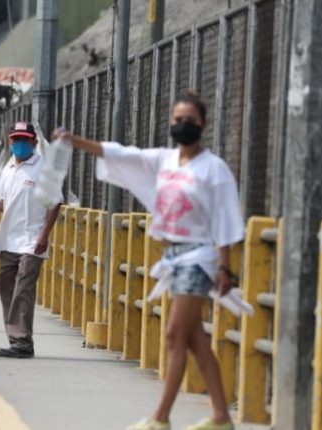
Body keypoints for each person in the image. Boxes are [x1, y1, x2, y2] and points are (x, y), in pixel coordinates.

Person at [53, 92, 243, 430]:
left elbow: (226, 218)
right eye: (177, 119)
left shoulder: (214, 169)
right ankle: (221, 417)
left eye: (189, 120)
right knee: (195, 341)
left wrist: (225, 268)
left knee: (173, 335)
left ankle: (161, 418)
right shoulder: (165, 160)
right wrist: (74, 141)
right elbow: (122, 154)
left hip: (198, 257)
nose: (182, 125)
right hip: (172, 256)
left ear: (203, 124)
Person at [0, 121, 60, 358]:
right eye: (16, 139)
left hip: (32, 240)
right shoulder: (7, 169)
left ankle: (23, 342)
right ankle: (15, 338)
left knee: (24, 288)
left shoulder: (44, 168)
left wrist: (44, 235)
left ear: (34, 142)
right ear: (10, 141)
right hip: (8, 239)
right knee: (7, 288)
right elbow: (4, 202)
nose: (20, 143)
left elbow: (55, 203)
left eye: (25, 139)